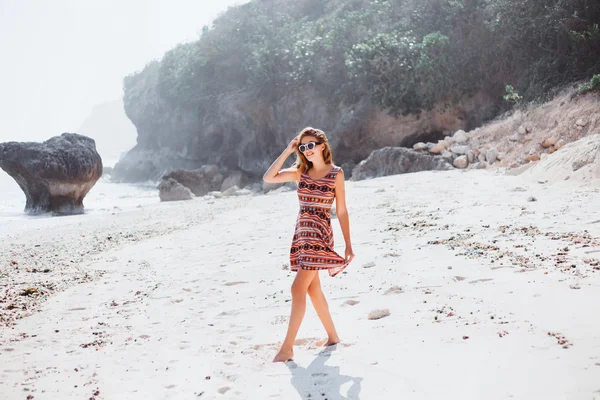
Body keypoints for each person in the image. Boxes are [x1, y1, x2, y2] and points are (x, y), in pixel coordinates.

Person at [263, 127, 355, 363]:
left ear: (322, 146)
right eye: (303, 147)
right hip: (302, 236)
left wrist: (348, 244)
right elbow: (268, 177)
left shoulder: (336, 174)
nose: (307, 150)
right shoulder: (301, 172)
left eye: (310, 145)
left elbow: (342, 211)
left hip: (320, 236)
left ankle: (287, 348)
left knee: (297, 289)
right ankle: (333, 336)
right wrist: (288, 150)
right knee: (313, 289)